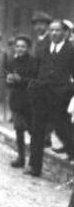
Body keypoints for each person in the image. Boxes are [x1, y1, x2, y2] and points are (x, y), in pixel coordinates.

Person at [27, 20, 74, 177]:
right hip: (41, 96)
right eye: (52, 30)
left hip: (61, 97)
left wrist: (68, 90)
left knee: (62, 128)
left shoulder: (71, 50)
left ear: (65, 32)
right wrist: (34, 88)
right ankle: (34, 166)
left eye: (58, 30)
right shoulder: (42, 48)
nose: (54, 33)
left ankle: (72, 154)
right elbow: (34, 70)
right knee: (37, 131)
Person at [5, 35, 37, 168]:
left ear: (28, 48)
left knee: (33, 131)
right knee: (18, 129)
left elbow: (34, 80)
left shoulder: (33, 61)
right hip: (16, 100)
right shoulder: (12, 61)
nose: (19, 49)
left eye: (23, 46)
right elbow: (8, 81)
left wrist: (21, 80)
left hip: (29, 101)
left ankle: (34, 160)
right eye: (17, 46)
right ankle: (21, 157)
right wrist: (9, 80)